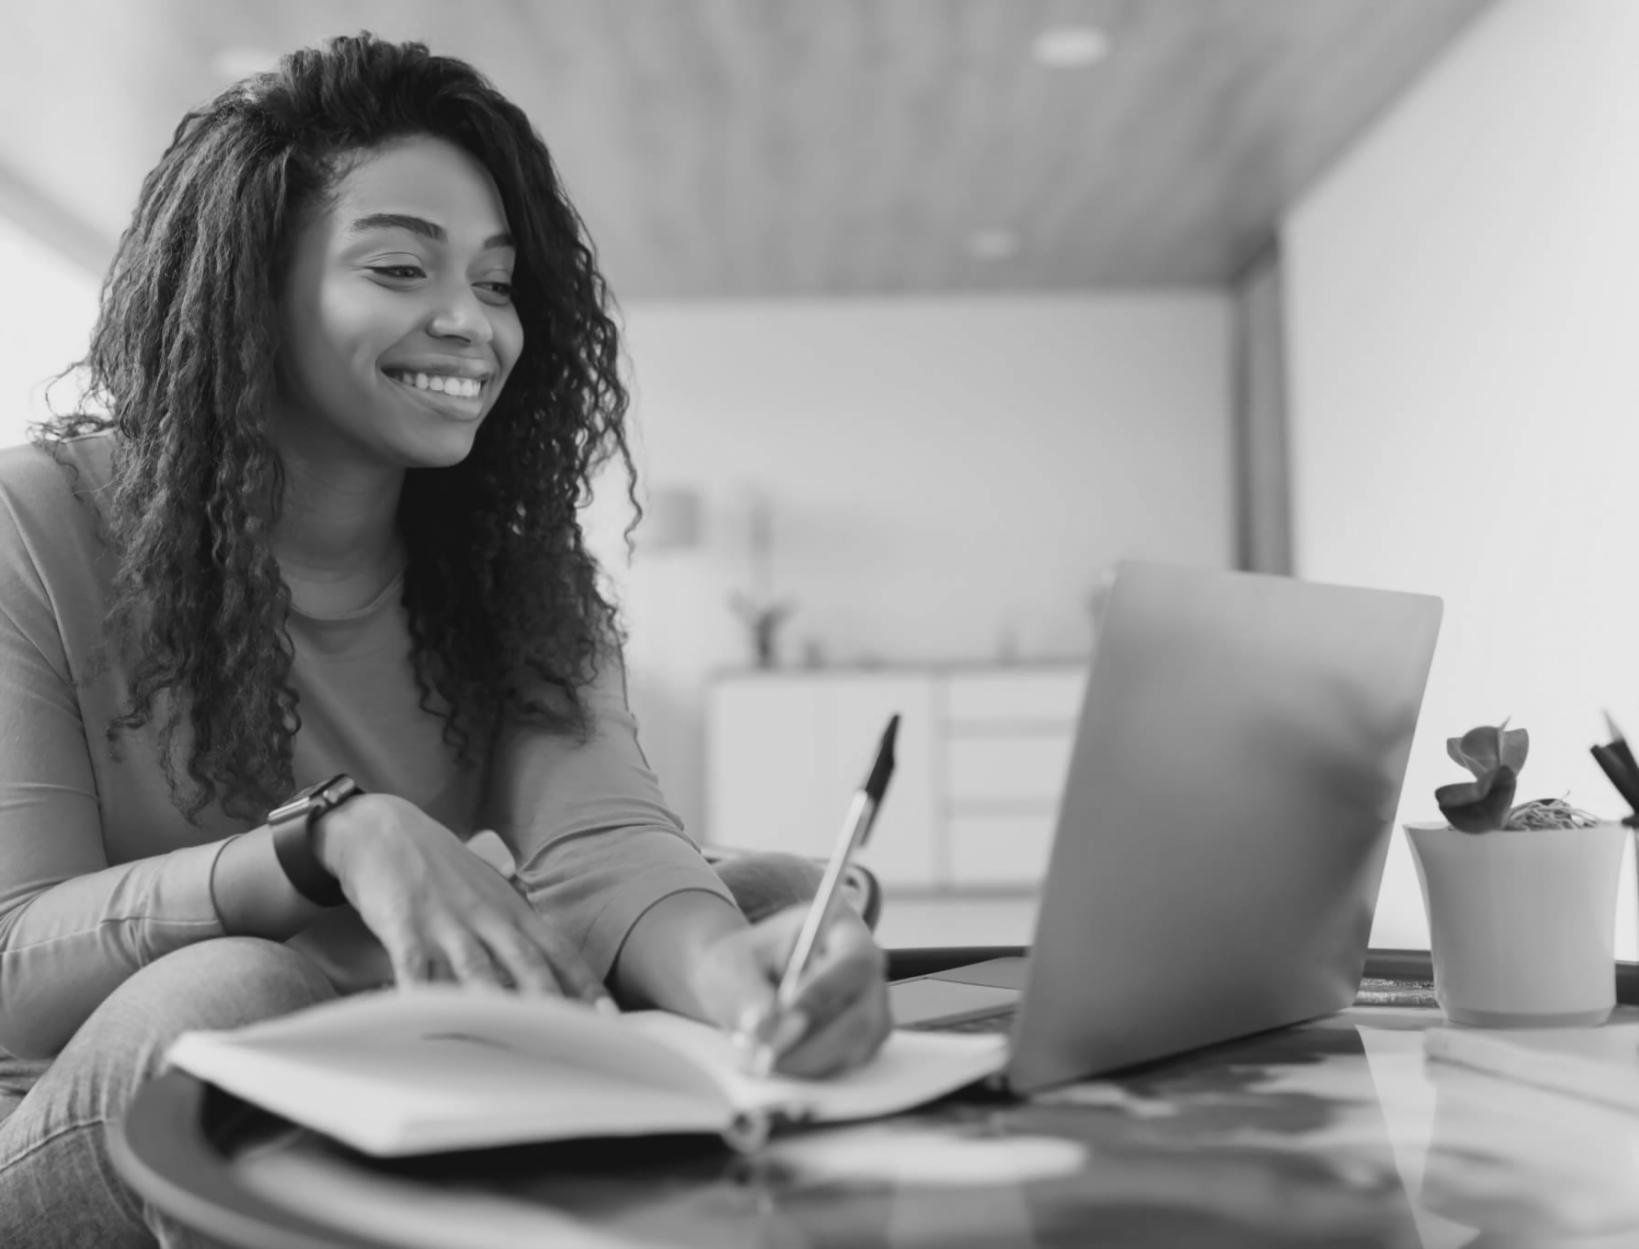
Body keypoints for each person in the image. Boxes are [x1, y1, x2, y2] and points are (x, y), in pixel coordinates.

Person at [0, 32, 890, 1248]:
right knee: (240, 995)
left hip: (385, 1048)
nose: (470, 323)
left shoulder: (513, 569)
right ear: (249, 288)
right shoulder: (34, 523)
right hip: (75, 1107)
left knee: (769, 902)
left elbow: (606, 838)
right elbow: (14, 960)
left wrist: (745, 994)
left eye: (495, 280)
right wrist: (326, 845)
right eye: (402, 268)